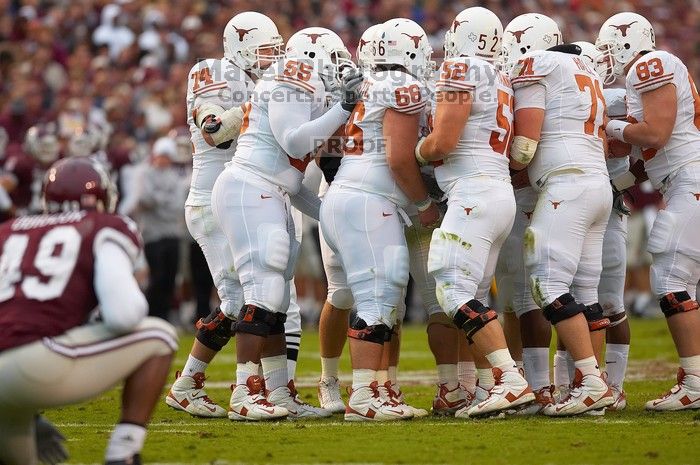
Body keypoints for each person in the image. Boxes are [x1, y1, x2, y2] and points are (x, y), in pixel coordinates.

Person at [212, 26, 360, 420]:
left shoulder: (306, 86)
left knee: (276, 297)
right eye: (336, 58)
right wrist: (343, 108)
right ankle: (245, 392)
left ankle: (278, 394)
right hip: (251, 188)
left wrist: (332, 213)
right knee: (263, 290)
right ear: (315, 56)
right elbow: (295, 143)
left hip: (272, 191)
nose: (342, 68)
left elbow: (294, 181)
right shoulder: (293, 73)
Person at [0, 157, 177, 465]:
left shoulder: (9, 230)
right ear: (103, 197)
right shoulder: (104, 226)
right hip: (33, 365)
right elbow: (124, 314)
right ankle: (123, 453)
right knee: (160, 335)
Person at [415, 7, 534, 418]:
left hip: (473, 192)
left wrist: (419, 150)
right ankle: (488, 388)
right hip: (497, 191)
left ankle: (509, 380)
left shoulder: (461, 66)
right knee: (477, 294)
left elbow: (443, 142)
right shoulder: (499, 75)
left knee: (450, 284)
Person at [320, 18, 437, 421]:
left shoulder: (366, 84)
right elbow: (399, 158)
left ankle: (377, 389)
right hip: (368, 199)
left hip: (346, 195)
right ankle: (366, 395)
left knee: (384, 297)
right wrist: (424, 205)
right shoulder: (403, 87)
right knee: (377, 296)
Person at [166, 11, 282, 418]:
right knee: (245, 298)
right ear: (241, 47)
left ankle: (192, 384)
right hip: (213, 199)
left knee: (256, 297)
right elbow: (214, 130)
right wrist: (254, 106)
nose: (272, 59)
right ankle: (241, 390)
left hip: (242, 199)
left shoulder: (258, 81)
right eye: (266, 51)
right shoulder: (214, 71)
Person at [505, 12, 614, 416]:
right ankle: (592, 388)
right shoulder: (582, 65)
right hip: (597, 184)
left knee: (547, 283)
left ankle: (590, 382)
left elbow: (525, 146)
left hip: (565, 186)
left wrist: (492, 169)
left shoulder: (539, 65)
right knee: (586, 295)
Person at [598, 12, 700, 411]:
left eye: (609, 48)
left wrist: (610, 126)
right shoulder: (656, 70)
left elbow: (656, 132)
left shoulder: (648, 65)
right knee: (682, 280)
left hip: (688, 182)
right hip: (681, 180)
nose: (608, 57)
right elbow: (648, 159)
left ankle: (694, 381)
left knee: (670, 276)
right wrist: (614, 186)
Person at [134, 137, 188, 321]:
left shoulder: (175, 177)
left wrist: (158, 202)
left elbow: (177, 205)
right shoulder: (145, 174)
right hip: (152, 234)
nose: (163, 159)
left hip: (172, 234)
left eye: (167, 155)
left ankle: (164, 316)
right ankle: (151, 315)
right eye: (161, 155)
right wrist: (163, 200)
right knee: (156, 277)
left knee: (170, 278)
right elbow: (144, 199)